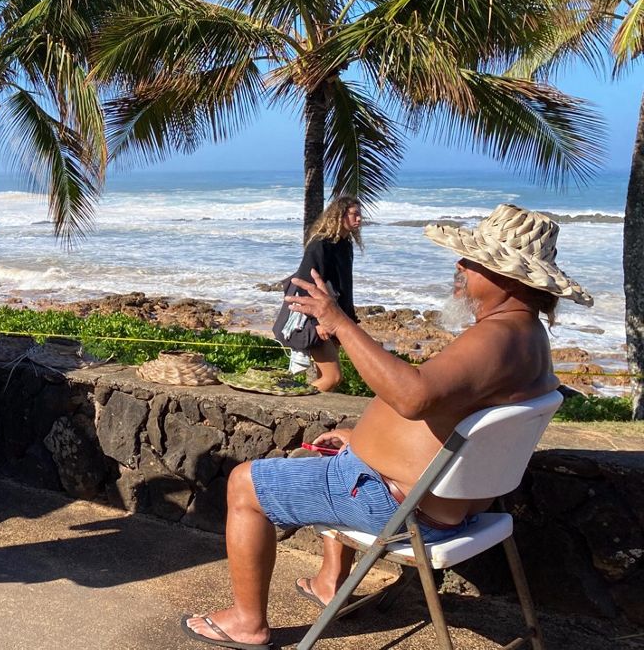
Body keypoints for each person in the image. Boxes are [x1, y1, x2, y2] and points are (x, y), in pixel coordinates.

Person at [181, 204, 592, 650]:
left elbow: (413, 397)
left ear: (509, 279)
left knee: (245, 485)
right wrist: (365, 439)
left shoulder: (496, 340)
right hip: (448, 507)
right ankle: (330, 581)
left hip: (398, 510)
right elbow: (447, 415)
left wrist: (337, 321)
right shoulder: (527, 338)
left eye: (474, 261)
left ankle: (247, 622)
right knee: (336, 452)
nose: (460, 266)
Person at [282, 195, 363, 392]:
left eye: (360, 215)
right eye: (355, 214)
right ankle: (291, 404)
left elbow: (344, 288)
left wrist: (347, 319)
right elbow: (304, 285)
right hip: (318, 320)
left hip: (337, 318)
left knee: (327, 379)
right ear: (339, 215)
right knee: (333, 377)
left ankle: (317, 420)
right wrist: (318, 323)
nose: (359, 219)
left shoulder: (345, 245)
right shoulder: (320, 245)